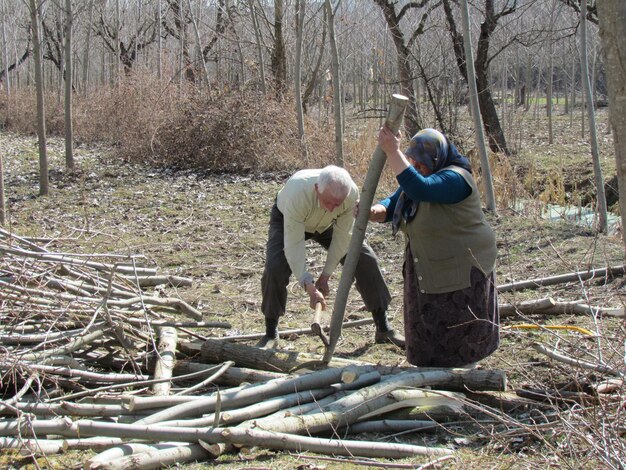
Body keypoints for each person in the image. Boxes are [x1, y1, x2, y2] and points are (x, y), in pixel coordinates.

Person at [372, 127, 499, 368]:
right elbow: (400, 196)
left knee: (460, 326)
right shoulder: (422, 178)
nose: (416, 167)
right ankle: (432, 372)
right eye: (412, 162)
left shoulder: (456, 178)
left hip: (462, 266)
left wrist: (392, 152)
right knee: (429, 325)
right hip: (428, 266)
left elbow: (420, 188)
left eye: (421, 163)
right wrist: (378, 210)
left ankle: (465, 375)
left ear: (437, 158)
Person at [257, 165, 405, 350]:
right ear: (317, 188)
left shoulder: (351, 195)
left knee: (366, 260)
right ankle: (271, 332)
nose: (331, 208)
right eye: (328, 202)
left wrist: (325, 276)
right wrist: (309, 285)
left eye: (337, 204)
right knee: (275, 268)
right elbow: (294, 246)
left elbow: (343, 237)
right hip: (290, 218)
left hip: (328, 225)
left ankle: (383, 327)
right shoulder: (298, 191)